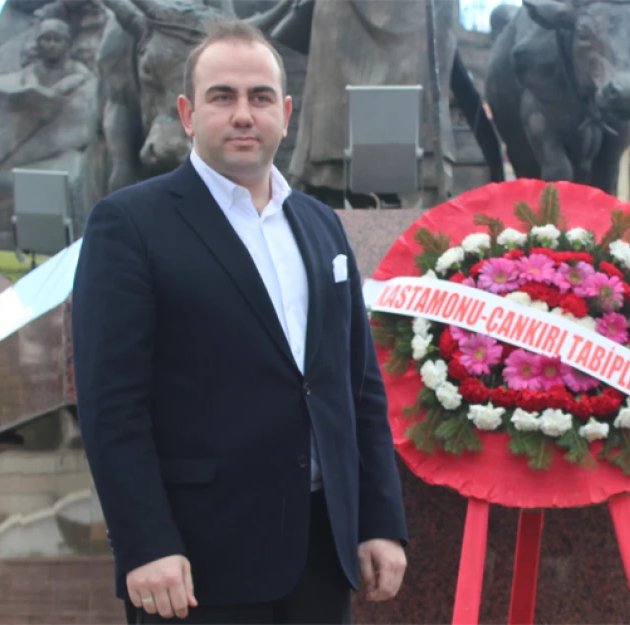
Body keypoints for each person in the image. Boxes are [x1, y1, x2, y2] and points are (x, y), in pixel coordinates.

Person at [71, 18, 408, 625]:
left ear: (286, 110)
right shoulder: (129, 225)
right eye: (221, 96)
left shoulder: (321, 225)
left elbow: (357, 388)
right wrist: (146, 544)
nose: (243, 114)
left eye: (258, 98)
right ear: (188, 113)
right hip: (195, 564)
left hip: (320, 555)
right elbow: (111, 404)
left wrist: (379, 521)